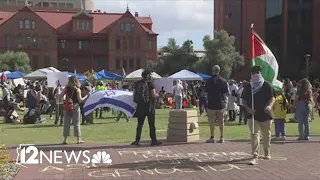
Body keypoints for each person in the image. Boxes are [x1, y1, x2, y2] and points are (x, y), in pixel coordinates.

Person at [242, 65, 275, 165]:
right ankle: (255, 154)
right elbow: (243, 100)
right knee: (254, 134)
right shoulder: (249, 86)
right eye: (254, 73)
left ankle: (266, 152)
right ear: (251, 74)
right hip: (253, 115)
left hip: (265, 115)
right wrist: (248, 109)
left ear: (261, 73)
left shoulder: (267, 85)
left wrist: (269, 106)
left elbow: (272, 97)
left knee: (266, 135)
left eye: (258, 72)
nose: (256, 74)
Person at [131, 69, 162, 146]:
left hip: (140, 106)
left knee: (140, 124)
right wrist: (160, 96)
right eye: (151, 74)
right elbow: (154, 95)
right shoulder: (150, 84)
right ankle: (154, 140)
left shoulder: (138, 83)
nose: (152, 76)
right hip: (149, 107)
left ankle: (137, 140)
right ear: (148, 75)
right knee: (151, 124)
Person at [58, 76, 89, 144]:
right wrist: (87, 96)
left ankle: (65, 140)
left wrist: (58, 89)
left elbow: (60, 96)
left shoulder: (66, 88)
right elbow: (80, 100)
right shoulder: (77, 89)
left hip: (67, 106)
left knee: (66, 123)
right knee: (76, 123)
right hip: (75, 106)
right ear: (76, 81)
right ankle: (78, 139)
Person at [206, 65, 230, 143]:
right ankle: (222, 137)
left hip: (211, 103)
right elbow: (226, 93)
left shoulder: (209, 81)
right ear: (219, 71)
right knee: (221, 121)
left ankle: (212, 137)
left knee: (211, 121)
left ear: (212, 71)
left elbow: (205, 91)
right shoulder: (223, 81)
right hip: (220, 104)